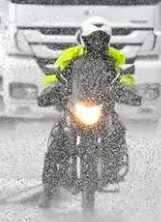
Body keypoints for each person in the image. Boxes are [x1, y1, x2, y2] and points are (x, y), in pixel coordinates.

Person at [39, 16, 135, 204]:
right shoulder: (71, 54)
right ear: (84, 39)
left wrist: (127, 89)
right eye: (93, 38)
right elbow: (54, 75)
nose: (97, 42)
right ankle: (49, 188)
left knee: (117, 130)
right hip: (76, 106)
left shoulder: (116, 56)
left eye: (102, 38)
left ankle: (112, 167)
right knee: (58, 138)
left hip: (103, 106)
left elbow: (125, 77)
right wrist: (51, 89)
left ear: (108, 40)